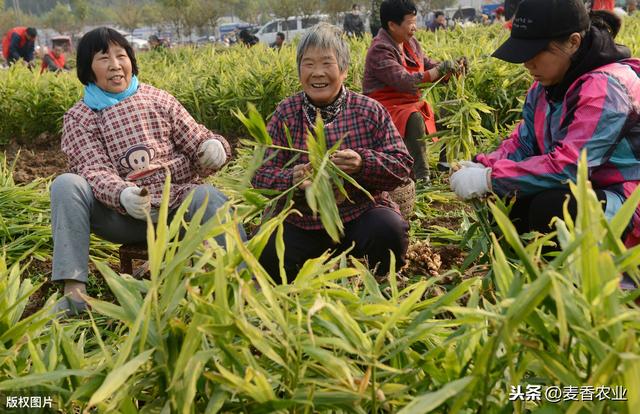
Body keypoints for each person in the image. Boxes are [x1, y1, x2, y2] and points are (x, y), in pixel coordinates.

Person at [50, 27, 246, 316]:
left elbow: (196, 139)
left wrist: (215, 146)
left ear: (131, 60)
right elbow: (93, 169)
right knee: (66, 184)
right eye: (104, 58)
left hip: (175, 208)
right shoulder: (80, 117)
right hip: (122, 217)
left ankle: (242, 281)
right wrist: (122, 194)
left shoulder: (158, 99)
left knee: (210, 197)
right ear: (88, 70)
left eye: (121, 55)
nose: (116, 65)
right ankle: (74, 293)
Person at [450, 0, 640, 249]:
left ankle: (571, 283)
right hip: (585, 188)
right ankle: (525, 271)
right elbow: (524, 142)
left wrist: (489, 178)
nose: (527, 63)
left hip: (625, 198)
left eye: (535, 53)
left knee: (553, 210)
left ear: (573, 42)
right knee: (506, 201)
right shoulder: (545, 87)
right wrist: (485, 164)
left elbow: (569, 167)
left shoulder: (606, 89)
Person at [252, 23, 413, 282]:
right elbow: (259, 175)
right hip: (302, 219)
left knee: (388, 230)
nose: (318, 73)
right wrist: (291, 178)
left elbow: (402, 165)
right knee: (268, 251)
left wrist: (362, 163)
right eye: (309, 64)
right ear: (299, 70)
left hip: (359, 214)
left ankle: (380, 280)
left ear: (345, 70)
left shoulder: (369, 111)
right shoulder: (286, 113)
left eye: (327, 63)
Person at [363, 0, 466, 182]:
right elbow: (405, 82)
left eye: (415, 22)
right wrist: (439, 70)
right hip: (385, 109)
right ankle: (421, 175)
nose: (415, 28)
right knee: (414, 117)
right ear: (392, 25)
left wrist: (453, 68)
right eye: (410, 23)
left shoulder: (410, 43)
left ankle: (446, 164)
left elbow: (427, 64)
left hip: (411, 102)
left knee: (453, 110)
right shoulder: (380, 49)